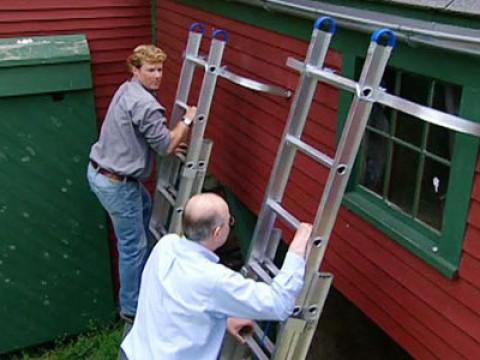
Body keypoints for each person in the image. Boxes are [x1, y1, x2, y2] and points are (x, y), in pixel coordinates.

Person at [120, 193, 312, 360]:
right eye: (230, 221)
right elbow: (279, 304)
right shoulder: (214, 279)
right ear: (218, 233)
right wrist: (298, 247)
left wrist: (221, 318)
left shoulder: (166, 245)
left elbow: (177, 301)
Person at [87, 44, 196, 322]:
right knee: (132, 247)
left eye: (160, 69)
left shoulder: (127, 89)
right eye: (150, 70)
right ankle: (132, 309)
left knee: (146, 210)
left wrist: (168, 140)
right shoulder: (146, 104)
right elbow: (165, 145)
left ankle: (145, 276)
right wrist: (186, 121)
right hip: (117, 183)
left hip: (102, 172)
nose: (157, 75)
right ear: (135, 70)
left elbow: (146, 135)